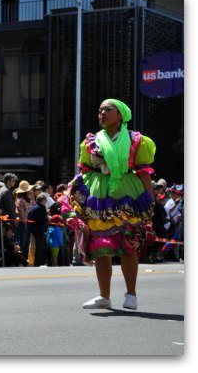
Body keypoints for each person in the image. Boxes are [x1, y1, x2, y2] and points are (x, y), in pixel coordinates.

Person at [60, 99, 155, 310]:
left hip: (128, 194)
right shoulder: (91, 141)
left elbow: (143, 172)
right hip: (98, 196)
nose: (102, 113)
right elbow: (85, 171)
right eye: (100, 110)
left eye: (107, 110)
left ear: (120, 115)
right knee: (100, 246)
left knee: (129, 245)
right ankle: (104, 296)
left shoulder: (137, 141)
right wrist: (75, 193)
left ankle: (131, 295)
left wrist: (149, 200)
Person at [28, 193, 49, 267]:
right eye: (45, 200)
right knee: (39, 247)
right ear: (41, 200)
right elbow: (39, 219)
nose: (46, 201)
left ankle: (41, 262)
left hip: (41, 230)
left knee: (43, 246)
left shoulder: (41, 208)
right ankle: (37, 263)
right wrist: (46, 219)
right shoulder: (37, 209)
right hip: (37, 230)